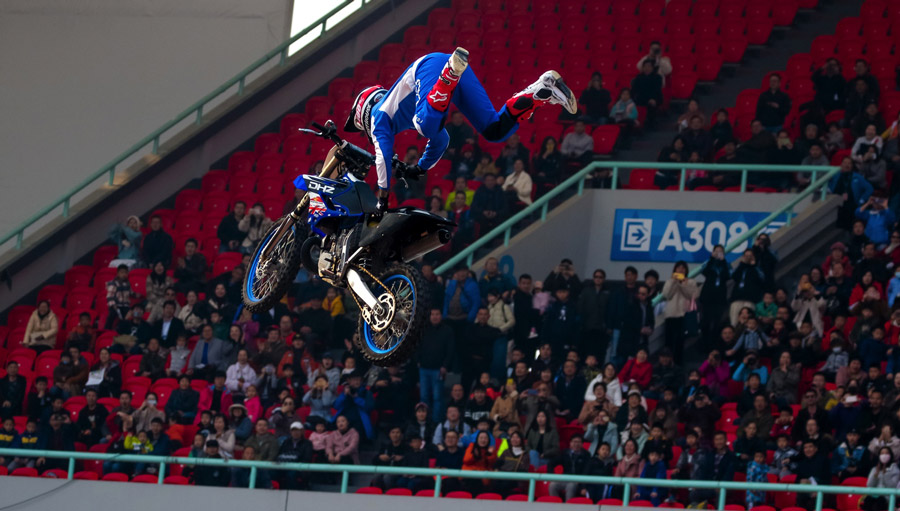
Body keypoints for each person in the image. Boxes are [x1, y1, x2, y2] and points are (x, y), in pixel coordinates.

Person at [345, 48, 576, 215]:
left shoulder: (378, 118)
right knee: (494, 130)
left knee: (424, 123)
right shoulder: (397, 112)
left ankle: (448, 76)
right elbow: (441, 139)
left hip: (430, 68)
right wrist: (421, 168)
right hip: (449, 69)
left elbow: (382, 157)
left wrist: (382, 197)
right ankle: (540, 90)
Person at [661, 261, 699, 364]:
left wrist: (683, 284)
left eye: (683, 268)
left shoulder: (690, 282)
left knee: (679, 343)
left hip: (683, 315)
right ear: (675, 269)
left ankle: (678, 365)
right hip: (670, 315)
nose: (681, 270)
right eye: (678, 268)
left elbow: (692, 295)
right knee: (668, 343)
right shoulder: (670, 281)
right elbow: (667, 295)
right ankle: (666, 364)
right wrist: (674, 281)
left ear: (686, 270)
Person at [549, 434, 591, 501]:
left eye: (578, 442)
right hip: (565, 478)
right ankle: (555, 504)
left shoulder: (586, 455)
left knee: (571, 486)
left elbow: (586, 471)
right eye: (574, 442)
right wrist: (551, 476)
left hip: (577, 480)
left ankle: (568, 506)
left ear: (582, 444)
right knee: (553, 485)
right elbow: (551, 463)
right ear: (570, 443)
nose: (576, 444)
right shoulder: (565, 452)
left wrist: (582, 485)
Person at [632, 60, 663, 127]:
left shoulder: (657, 77)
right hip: (641, 97)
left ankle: (651, 123)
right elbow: (634, 90)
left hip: (654, 97)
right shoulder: (639, 77)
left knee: (652, 104)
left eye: (649, 66)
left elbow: (657, 91)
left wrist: (653, 99)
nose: (647, 68)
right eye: (645, 66)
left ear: (652, 68)